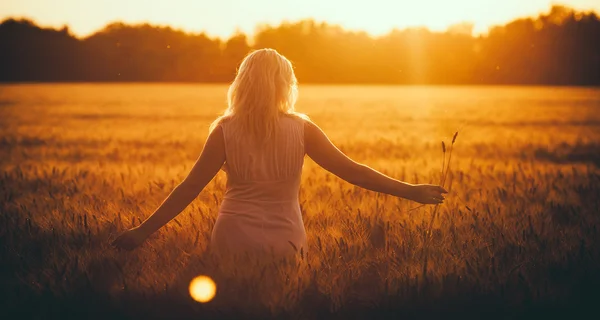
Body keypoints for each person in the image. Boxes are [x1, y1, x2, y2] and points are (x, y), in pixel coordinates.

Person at [112, 48, 447, 255]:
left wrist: (143, 231)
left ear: (243, 83)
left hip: (232, 236)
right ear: (285, 85)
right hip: (286, 240)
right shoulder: (302, 129)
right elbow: (353, 171)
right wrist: (410, 191)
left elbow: (189, 188)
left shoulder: (225, 130)